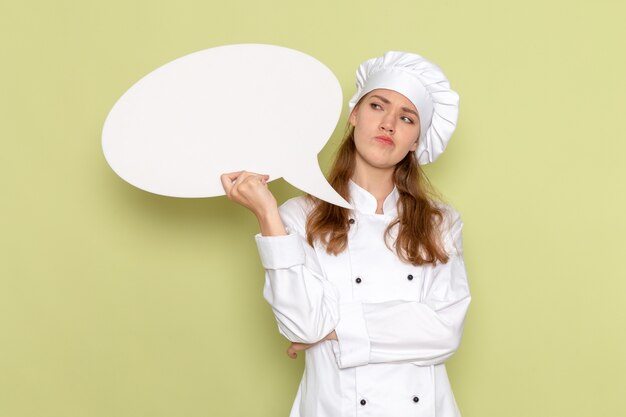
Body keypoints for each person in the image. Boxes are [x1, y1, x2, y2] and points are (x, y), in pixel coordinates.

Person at [221, 51, 471, 417]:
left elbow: (444, 332)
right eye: (377, 106)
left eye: (406, 118)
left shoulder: (440, 222)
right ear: (354, 114)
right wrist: (267, 214)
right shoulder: (300, 215)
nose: (388, 124)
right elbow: (302, 324)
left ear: (416, 140)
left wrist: (331, 327)